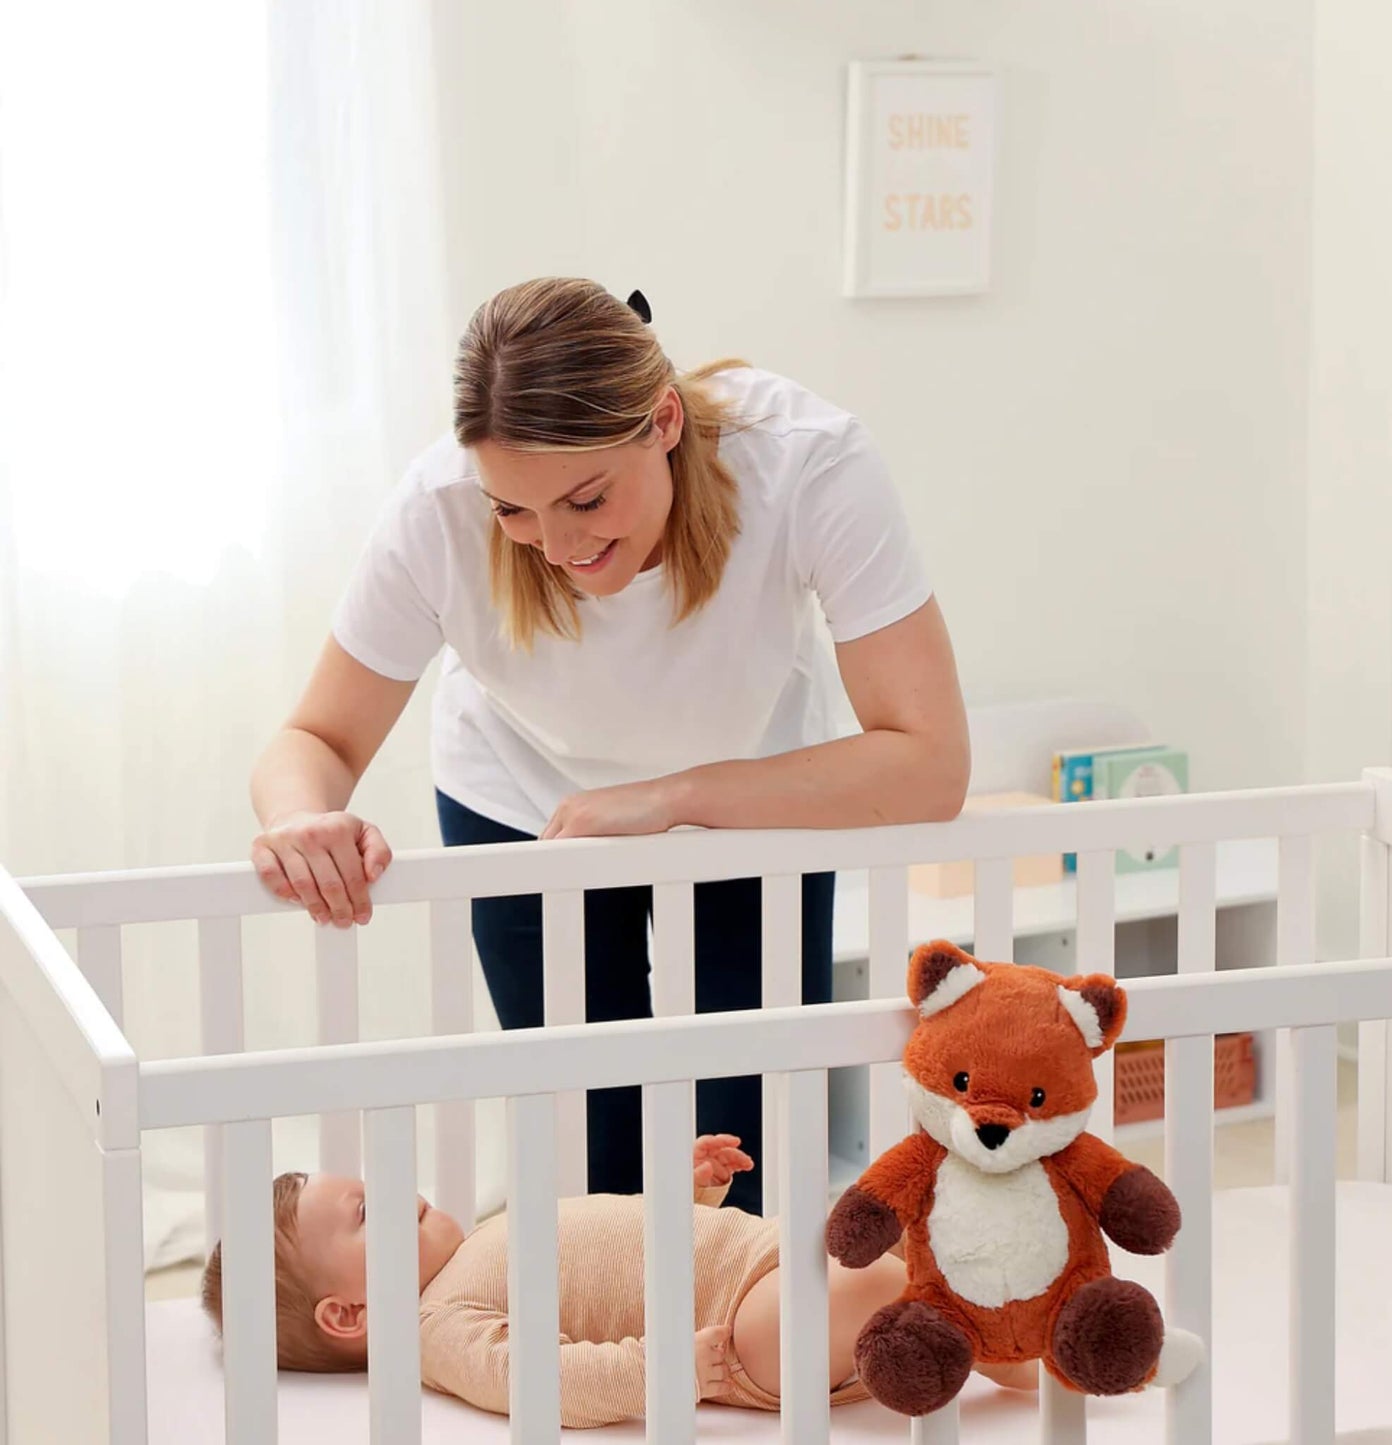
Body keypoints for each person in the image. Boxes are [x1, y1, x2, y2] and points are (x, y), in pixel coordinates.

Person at [249, 277, 970, 1214]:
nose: (555, 546)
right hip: (520, 801)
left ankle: (735, 1352)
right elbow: (314, 737)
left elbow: (929, 760)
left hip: (753, 792)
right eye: (514, 511)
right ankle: (615, 1354)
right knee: (598, 1152)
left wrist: (673, 797)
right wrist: (302, 816)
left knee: (744, 1143)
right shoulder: (437, 510)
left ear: (662, 420)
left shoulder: (806, 464)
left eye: (586, 499)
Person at [199, 1135, 1036, 1428]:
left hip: (757, 1252)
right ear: (348, 1312)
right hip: (741, 1332)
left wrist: (690, 1191)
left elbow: (623, 1242)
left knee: (871, 1237)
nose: (393, 1191)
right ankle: (994, 1334)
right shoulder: (437, 1322)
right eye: (363, 1213)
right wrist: (658, 1368)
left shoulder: (478, 1240)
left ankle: (1000, 1328)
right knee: (869, 1292)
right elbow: (534, 1380)